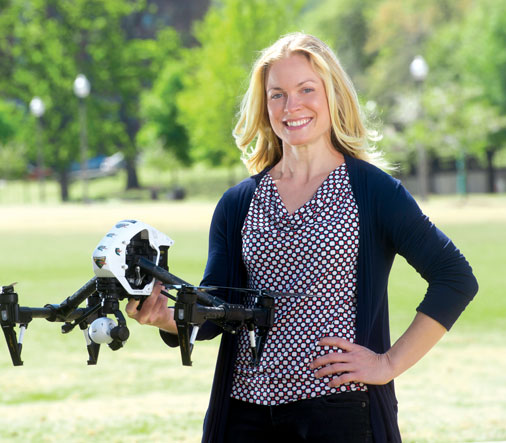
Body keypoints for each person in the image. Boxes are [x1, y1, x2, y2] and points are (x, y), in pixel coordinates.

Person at [125, 32, 478, 443]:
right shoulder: (238, 203)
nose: (292, 106)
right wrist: (168, 317)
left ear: (332, 94)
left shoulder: (373, 192)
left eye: (306, 89)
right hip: (245, 415)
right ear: (265, 105)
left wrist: (388, 364)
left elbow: (455, 278)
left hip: (340, 412)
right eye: (277, 95)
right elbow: (216, 311)